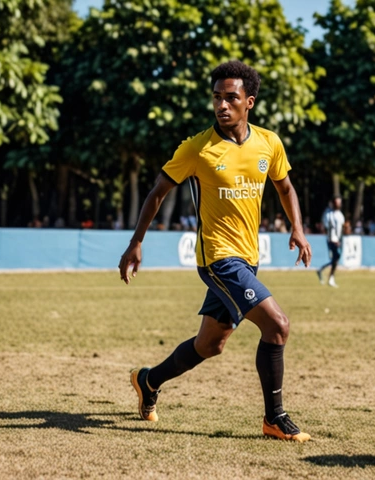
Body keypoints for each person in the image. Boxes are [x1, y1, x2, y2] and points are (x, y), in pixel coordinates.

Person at [118, 61, 312, 443]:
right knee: (278, 326)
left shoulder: (269, 143)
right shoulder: (197, 148)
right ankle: (275, 418)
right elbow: (158, 191)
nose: (222, 105)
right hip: (218, 259)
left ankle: (148, 380)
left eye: (231, 98)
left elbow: (285, 187)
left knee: (210, 345)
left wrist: (298, 228)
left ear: (249, 102)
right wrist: (136, 241)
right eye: (217, 98)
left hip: (248, 258)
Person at [316, 196, 345, 288]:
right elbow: (328, 227)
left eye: (339, 202)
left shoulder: (339, 214)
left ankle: (323, 271)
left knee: (336, 259)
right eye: (337, 202)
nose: (339, 204)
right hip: (332, 240)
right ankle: (330, 277)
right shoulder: (329, 213)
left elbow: (341, 228)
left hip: (338, 239)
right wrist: (334, 239)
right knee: (336, 257)